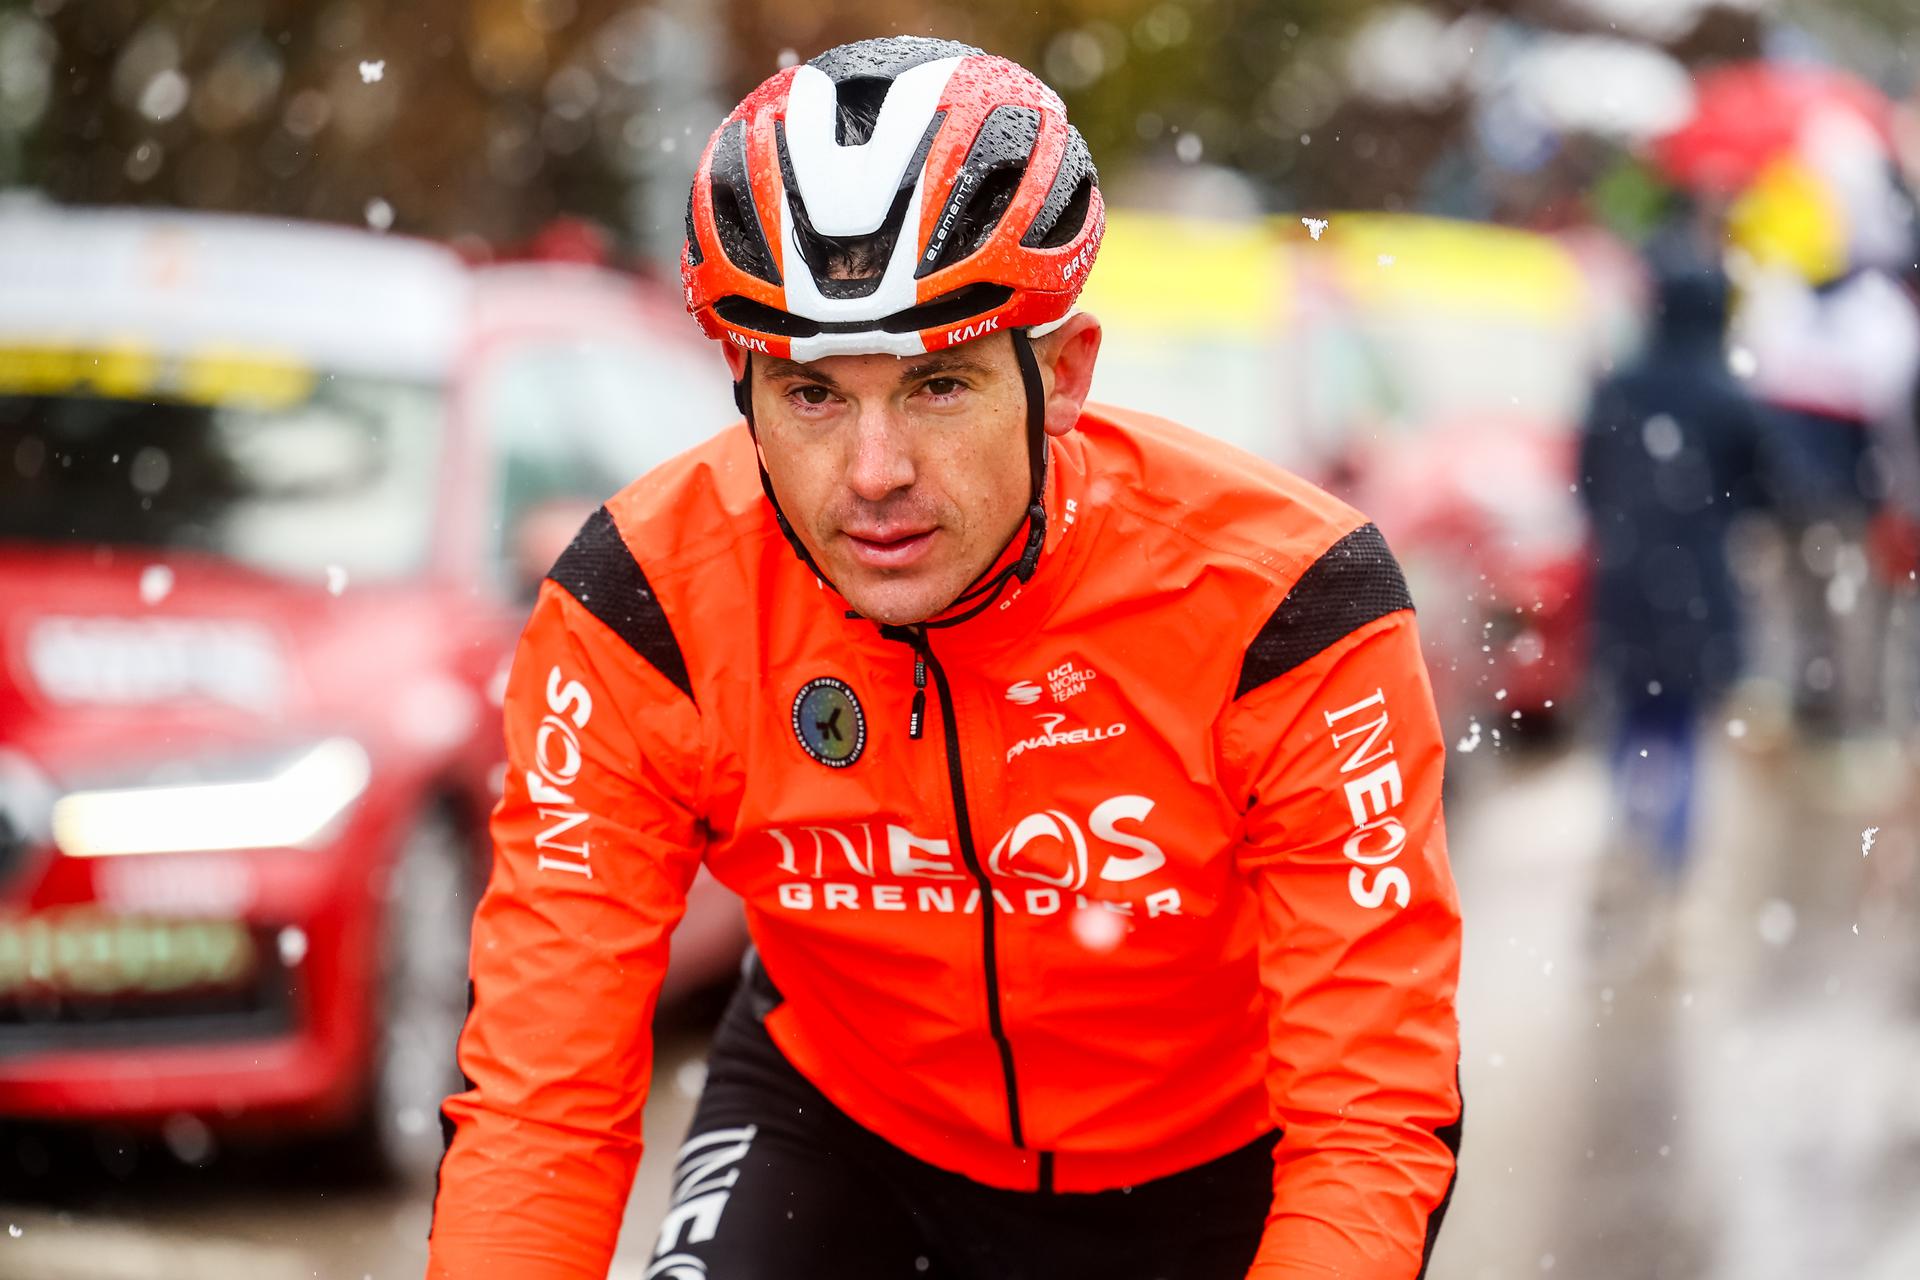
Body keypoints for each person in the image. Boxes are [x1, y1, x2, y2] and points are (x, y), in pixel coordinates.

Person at [429, 36, 1462, 1280]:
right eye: (812, 394)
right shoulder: (642, 605)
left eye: (939, 386)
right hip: (843, 1125)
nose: (874, 476)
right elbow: (540, 1097)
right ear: (739, 383)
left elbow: (1369, 1111)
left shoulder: (1287, 606)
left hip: (1215, 1167)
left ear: (1064, 373)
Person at [1578, 259, 1767, 879]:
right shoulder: (1726, 393)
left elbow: (1586, 478)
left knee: (1632, 711)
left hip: (1626, 572)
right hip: (1697, 580)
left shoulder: (1621, 385)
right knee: (1682, 721)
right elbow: (1762, 486)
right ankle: (1670, 854)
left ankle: (1630, 825)